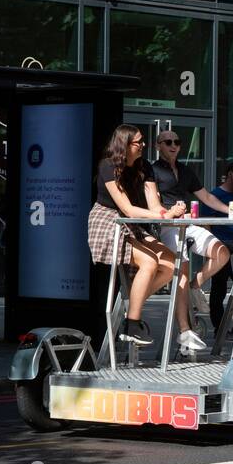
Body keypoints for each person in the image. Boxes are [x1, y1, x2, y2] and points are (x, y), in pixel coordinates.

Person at [88, 124, 180, 347]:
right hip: (108, 220)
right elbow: (127, 209)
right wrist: (164, 216)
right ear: (125, 144)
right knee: (149, 262)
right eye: (138, 142)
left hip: (131, 222)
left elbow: (154, 205)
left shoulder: (143, 166)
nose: (143, 145)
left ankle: (132, 307)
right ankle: (132, 323)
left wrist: (168, 212)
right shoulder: (108, 165)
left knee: (169, 262)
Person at [151, 130, 233, 355]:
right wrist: (170, 213)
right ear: (158, 145)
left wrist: (231, 212)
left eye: (177, 142)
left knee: (222, 253)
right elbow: (151, 204)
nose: (173, 145)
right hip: (167, 225)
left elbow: (206, 197)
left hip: (187, 224)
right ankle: (185, 330)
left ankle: (195, 286)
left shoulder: (186, 170)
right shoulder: (153, 170)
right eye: (168, 142)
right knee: (182, 269)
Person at [203, 161, 233, 327]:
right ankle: (219, 327)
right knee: (219, 289)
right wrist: (212, 245)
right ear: (230, 174)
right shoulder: (215, 195)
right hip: (222, 249)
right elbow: (205, 222)